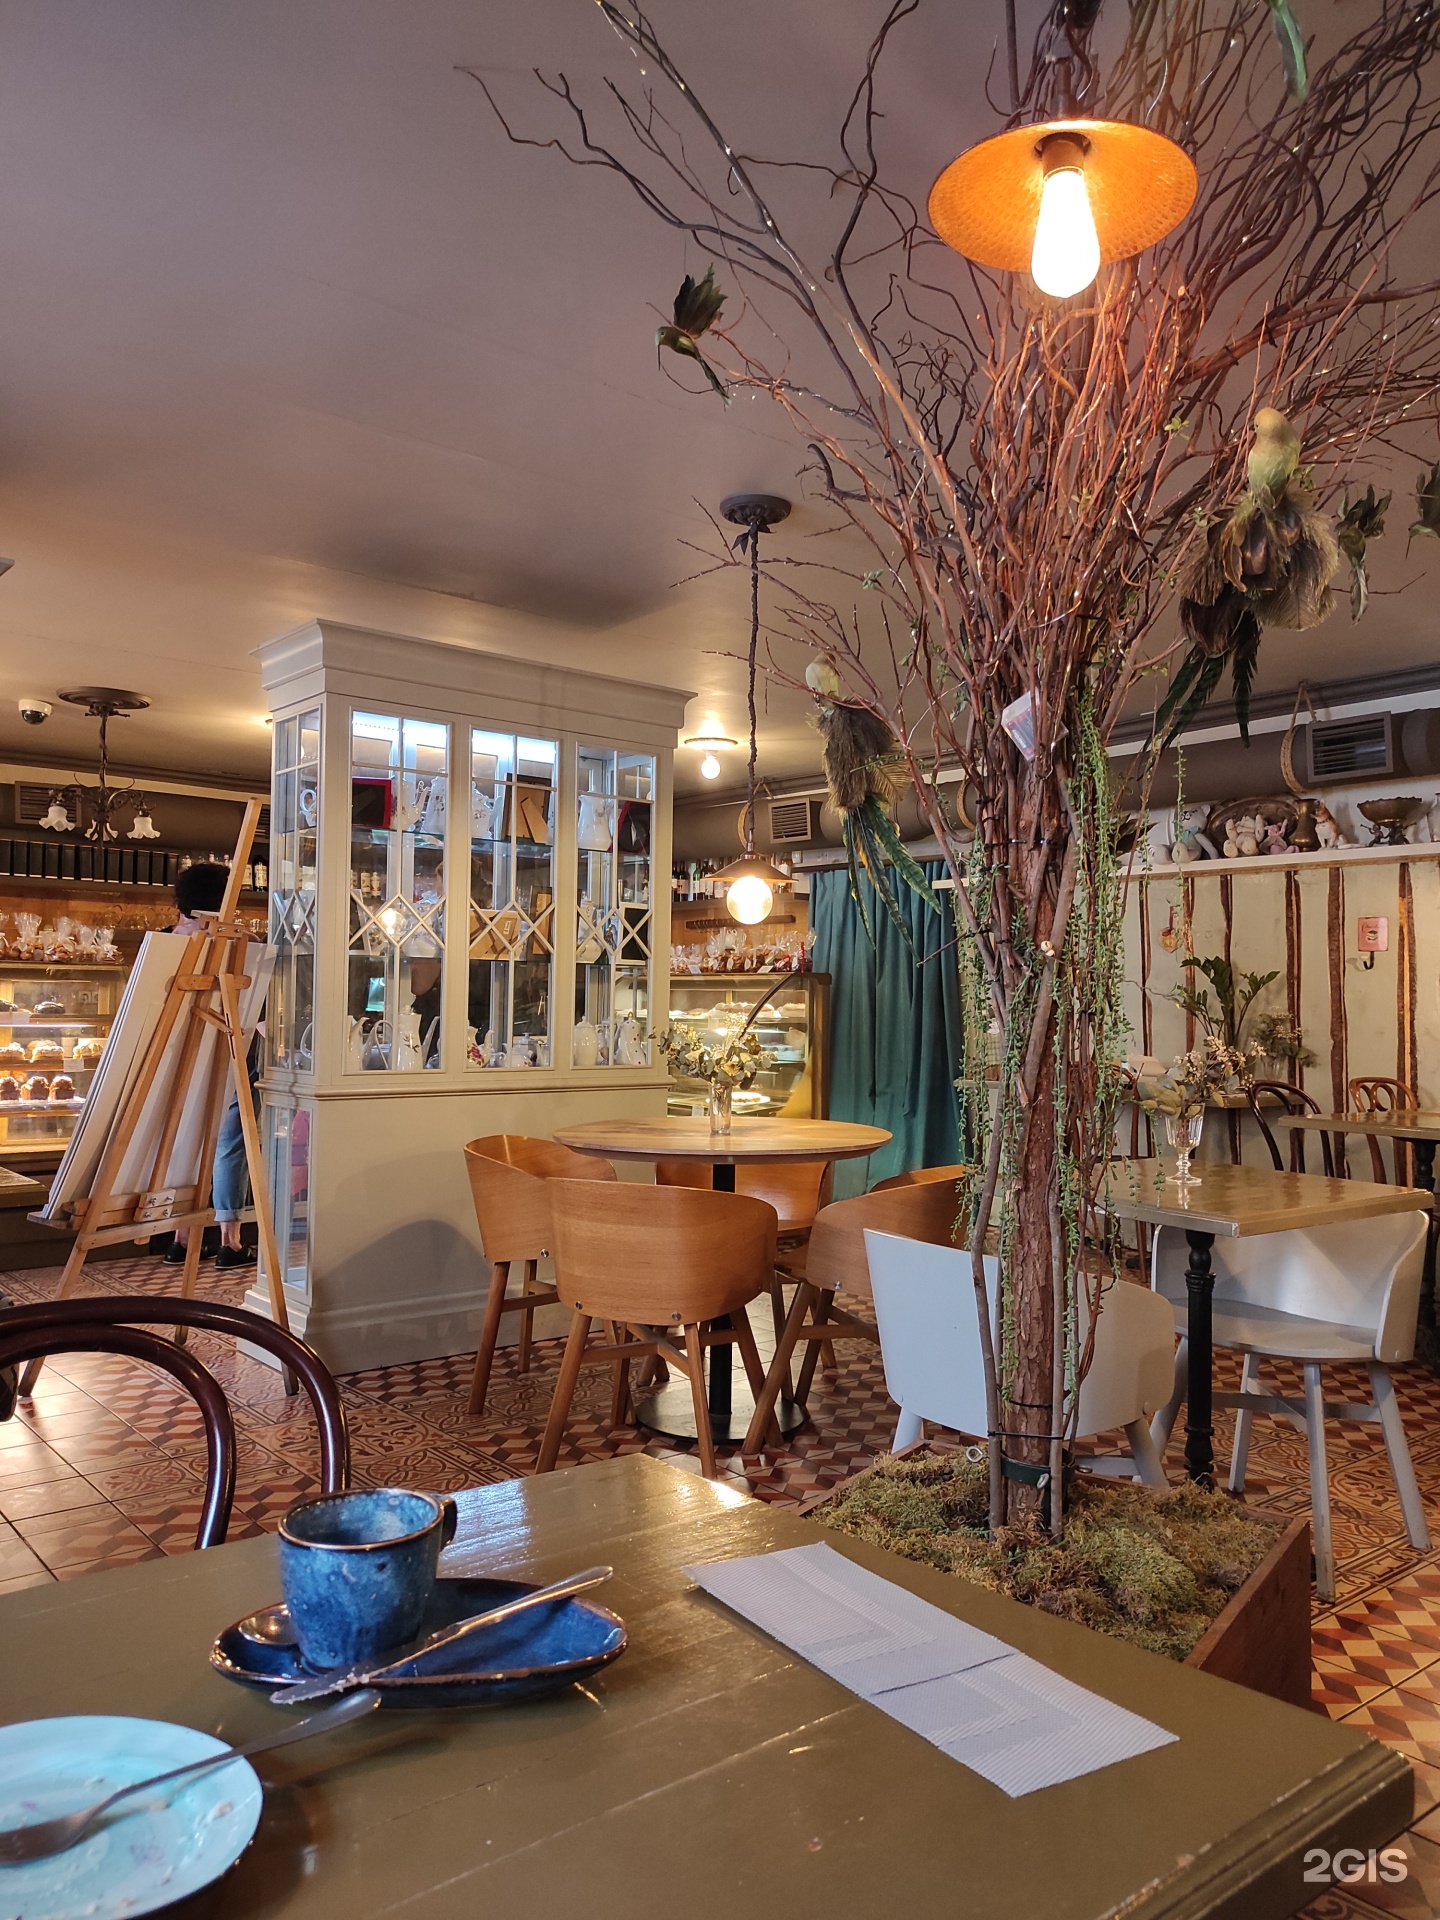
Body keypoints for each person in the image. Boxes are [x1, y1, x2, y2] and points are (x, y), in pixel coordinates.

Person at [164, 863, 258, 1271]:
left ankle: (181, 1238)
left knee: (182, 1139)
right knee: (230, 1143)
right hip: (231, 1049)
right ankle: (229, 1241)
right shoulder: (244, 944)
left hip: (175, 1056)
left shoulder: (163, 943)